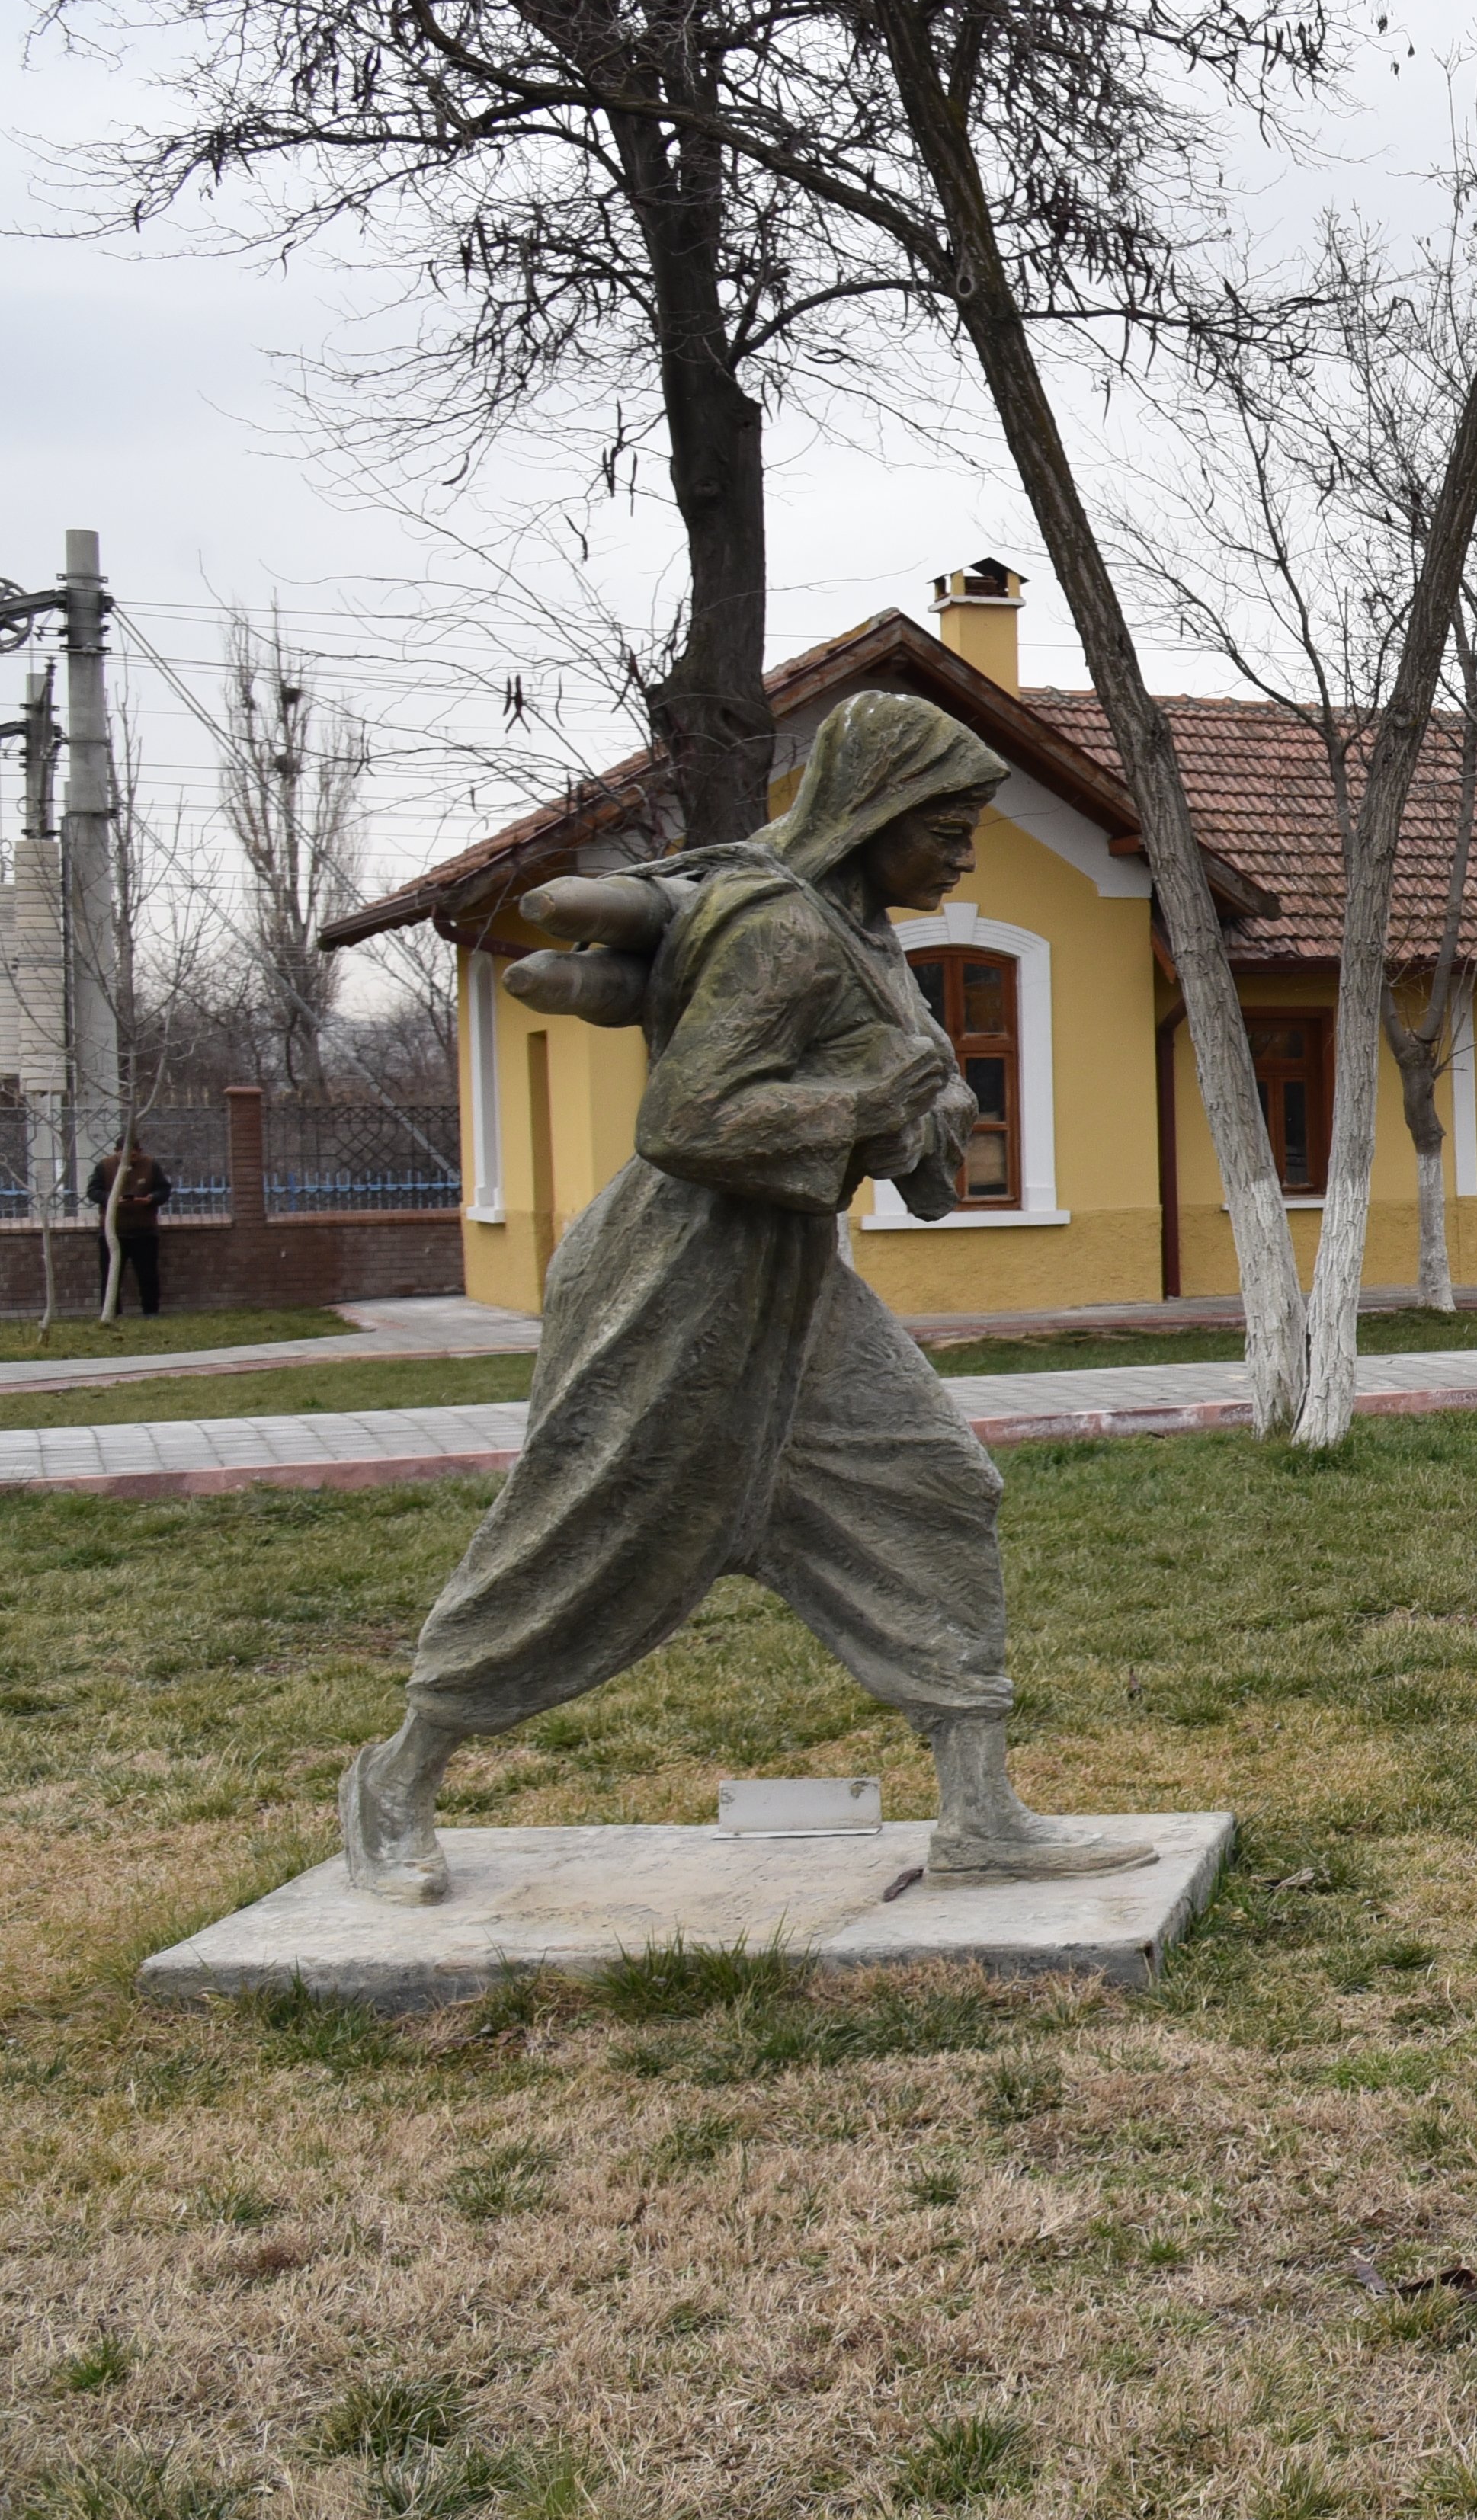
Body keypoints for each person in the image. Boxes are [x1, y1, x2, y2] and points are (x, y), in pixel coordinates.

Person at [338, 691, 1147, 1904]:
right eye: (950, 826)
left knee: (930, 1483)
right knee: (589, 1527)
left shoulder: (860, 929)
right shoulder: (783, 928)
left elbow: (909, 1083)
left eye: (975, 825)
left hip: (792, 1275)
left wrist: (923, 1106)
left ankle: (980, 1814)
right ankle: (397, 1782)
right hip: (677, 1272)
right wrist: (879, 1104)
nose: (968, 852)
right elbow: (692, 1123)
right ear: (875, 813)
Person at [82, 1133, 168, 1315]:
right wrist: (111, 1199)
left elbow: (164, 1189)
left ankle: (150, 1311)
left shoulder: (151, 1165)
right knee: (111, 1276)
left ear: (139, 1152)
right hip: (113, 1231)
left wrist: (151, 1199)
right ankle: (112, 1312)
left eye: (133, 1156)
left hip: (144, 1231)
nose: (129, 1160)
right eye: (124, 1156)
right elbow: (92, 1191)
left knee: (148, 1275)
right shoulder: (104, 1166)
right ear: (116, 1152)